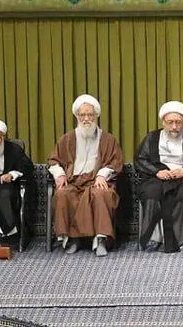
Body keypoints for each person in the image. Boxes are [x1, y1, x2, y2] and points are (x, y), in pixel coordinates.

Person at [47, 93, 124, 256]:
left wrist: (102, 175)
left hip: (96, 181)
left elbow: (115, 162)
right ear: (77, 116)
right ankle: (73, 239)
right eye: (82, 115)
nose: (86, 119)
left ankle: (101, 239)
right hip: (72, 181)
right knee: (62, 194)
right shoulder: (67, 139)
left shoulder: (108, 139)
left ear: (96, 116)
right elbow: (53, 161)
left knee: (101, 194)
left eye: (90, 114)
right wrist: (60, 175)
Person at [133, 100, 183, 252]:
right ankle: (153, 238)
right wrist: (157, 172)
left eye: (178, 122)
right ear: (163, 121)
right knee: (151, 193)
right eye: (170, 122)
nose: (174, 126)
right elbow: (140, 160)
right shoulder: (152, 138)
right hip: (157, 178)